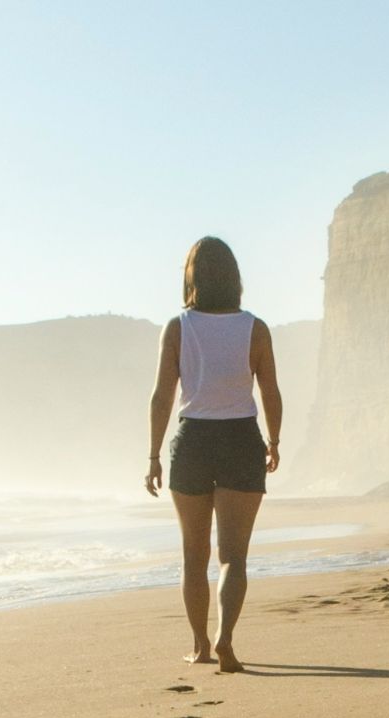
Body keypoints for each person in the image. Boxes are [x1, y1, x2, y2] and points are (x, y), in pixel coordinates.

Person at [144, 236, 282, 673]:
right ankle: (226, 639)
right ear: (234, 278)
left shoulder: (178, 327)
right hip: (241, 438)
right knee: (233, 557)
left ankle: (201, 645)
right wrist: (274, 441)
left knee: (193, 555)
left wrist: (153, 456)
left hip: (193, 442)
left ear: (192, 277)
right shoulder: (254, 328)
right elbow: (271, 392)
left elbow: (161, 397)